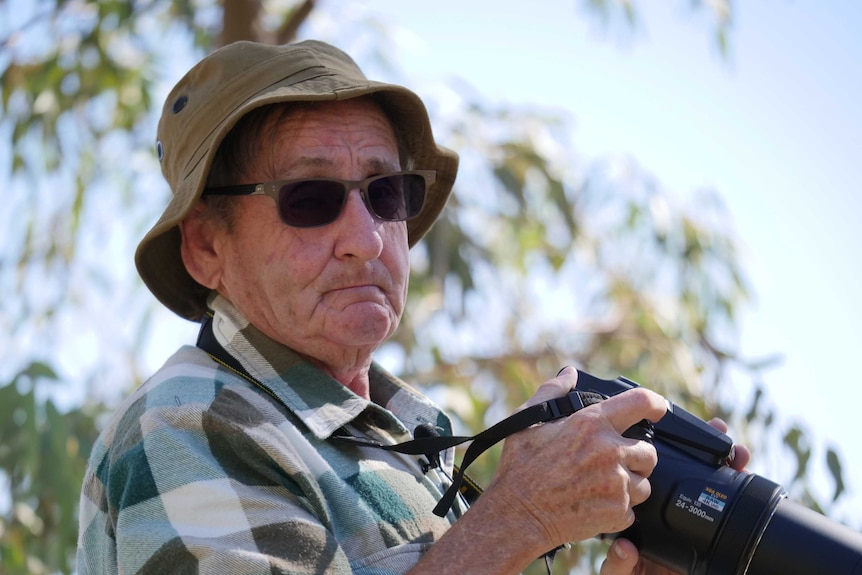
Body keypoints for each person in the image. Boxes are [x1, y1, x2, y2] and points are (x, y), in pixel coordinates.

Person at [77, 40, 748, 575]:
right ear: (204, 247)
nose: (366, 239)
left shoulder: (414, 439)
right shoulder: (188, 421)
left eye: (385, 191)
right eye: (309, 198)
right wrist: (519, 518)